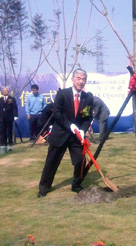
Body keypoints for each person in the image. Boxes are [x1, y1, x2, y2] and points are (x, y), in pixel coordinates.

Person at [38, 68, 93, 197]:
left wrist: (82, 129)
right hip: (60, 134)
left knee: (80, 161)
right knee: (51, 162)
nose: (81, 81)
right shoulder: (62, 94)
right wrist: (70, 125)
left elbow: (87, 117)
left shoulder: (87, 98)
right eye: (78, 78)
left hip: (76, 137)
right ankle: (44, 188)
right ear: (73, 79)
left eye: (83, 79)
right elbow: (57, 113)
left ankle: (76, 185)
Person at [0, 87, 18, 151]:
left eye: (6, 90)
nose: (5, 91)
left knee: (9, 131)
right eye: (4, 90)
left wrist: (15, 116)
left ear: (8, 91)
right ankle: (4, 144)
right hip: (2, 118)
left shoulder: (12, 99)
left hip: (9, 118)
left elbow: (15, 107)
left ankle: (10, 144)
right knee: (3, 131)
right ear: (2, 92)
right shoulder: (0, 99)